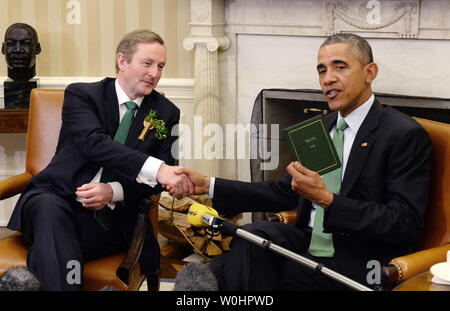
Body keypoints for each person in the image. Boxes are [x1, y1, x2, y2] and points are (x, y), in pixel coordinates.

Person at [172, 33, 432, 290]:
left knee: (242, 271)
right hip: (307, 240)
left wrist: (327, 200)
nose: (328, 79)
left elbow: (403, 224)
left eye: (340, 67)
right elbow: (284, 192)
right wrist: (208, 184)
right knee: (250, 238)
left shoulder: (402, 134)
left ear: (370, 72)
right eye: (321, 71)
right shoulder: (320, 129)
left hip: (361, 256)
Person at [7, 29, 193, 290]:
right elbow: (94, 143)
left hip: (109, 221)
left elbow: (158, 182)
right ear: (122, 61)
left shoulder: (166, 113)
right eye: (147, 63)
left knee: (54, 246)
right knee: (52, 213)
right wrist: (157, 168)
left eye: (160, 66)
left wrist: (113, 191)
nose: (155, 73)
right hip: (54, 196)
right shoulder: (82, 95)